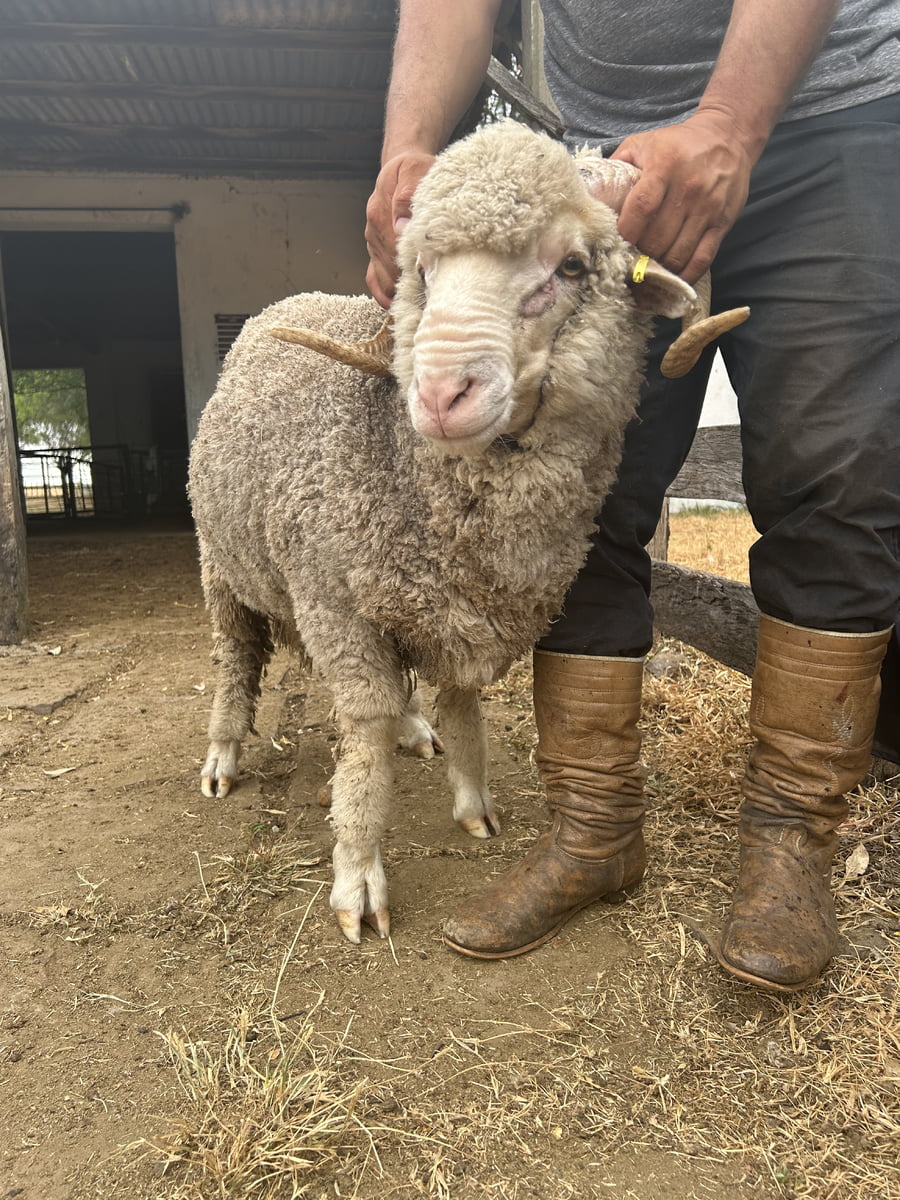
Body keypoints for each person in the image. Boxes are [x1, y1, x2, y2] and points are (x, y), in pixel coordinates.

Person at [364, 0, 900, 992]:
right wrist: (409, 152)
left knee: (834, 476)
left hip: (832, 120)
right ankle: (594, 830)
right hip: (601, 165)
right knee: (565, 490)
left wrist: (732, 126)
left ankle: (792, 845)